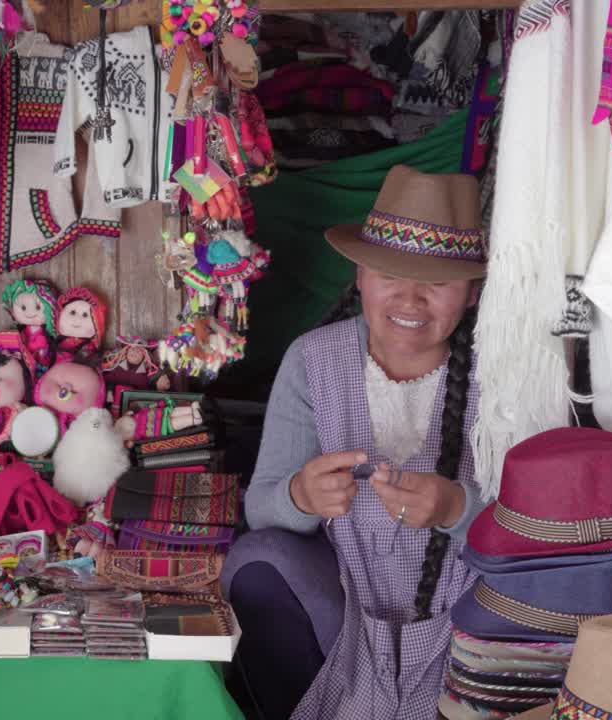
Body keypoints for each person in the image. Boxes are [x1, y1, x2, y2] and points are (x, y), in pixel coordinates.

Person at [222, 166, 489, 720]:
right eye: (389, 274)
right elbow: (260, 506)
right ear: (360, 276)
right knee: (257, 560)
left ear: (471, 293)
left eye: (437, 282)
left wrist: (454, 507)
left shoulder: (503, 371)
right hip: (343, 605)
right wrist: (300, 495)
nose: (411, 299)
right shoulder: (313, 358)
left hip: (468, 611)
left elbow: (535, 532)